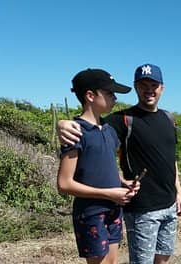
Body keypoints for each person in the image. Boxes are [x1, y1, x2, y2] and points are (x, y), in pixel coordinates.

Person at [59, 64, 181, 264]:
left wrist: (178, 192)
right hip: (134, 208)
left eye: (154, 85)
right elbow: (86, 126)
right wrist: (62, 124)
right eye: (143, 85)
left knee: (161, 257)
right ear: (136, 87)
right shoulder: (120, 120)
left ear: (162, 87)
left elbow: (171, 159)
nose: (149, 90)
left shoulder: (167, 118)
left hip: (159, 205)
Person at [56, 68, 136, 264]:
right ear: (90, 96)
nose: (114, 98)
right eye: (109, 93)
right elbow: (64, 184)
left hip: (113, 208)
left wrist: (122, 183)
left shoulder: (109, 130)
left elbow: (102, 167)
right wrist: (108, 193)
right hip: (91, 212)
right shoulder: (76, 132)